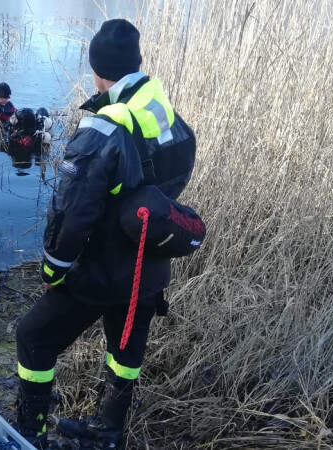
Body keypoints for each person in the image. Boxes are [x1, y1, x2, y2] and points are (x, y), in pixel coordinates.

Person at [13, 19, 197, 449]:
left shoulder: (103, 127)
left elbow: (72, 210)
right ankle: (108, 431)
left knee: (33, 337)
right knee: (125, 348)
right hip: (149, 268)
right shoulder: (167, 114)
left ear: (97, 70)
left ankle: (30, 432)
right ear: (136, 64)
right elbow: (178, 174)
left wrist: (54, 268)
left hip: (102, 270)